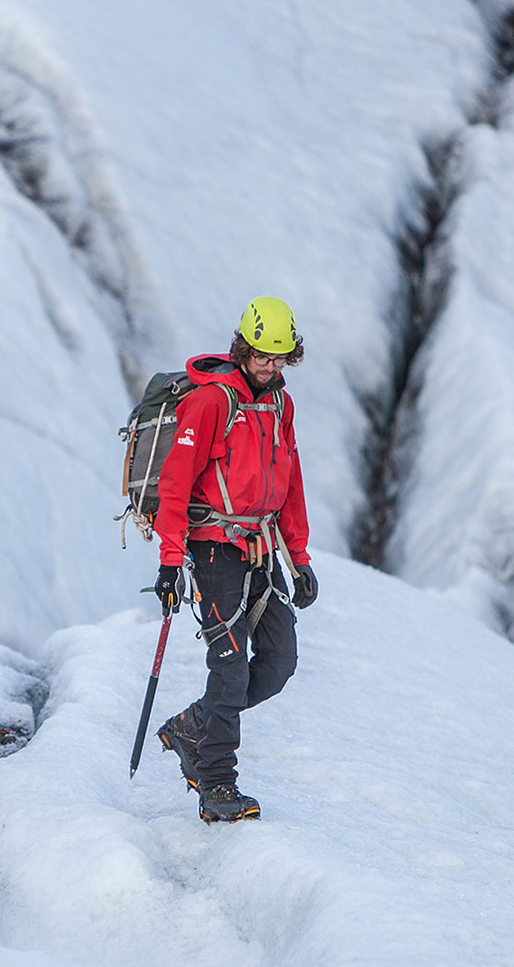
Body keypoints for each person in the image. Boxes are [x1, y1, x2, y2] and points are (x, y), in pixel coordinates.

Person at [150, 296, 319, 823]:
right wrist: (171, 560)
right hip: (212, 550)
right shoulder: (211, 403)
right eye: (264, 356)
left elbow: (290, 486)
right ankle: (217, 786)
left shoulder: (279, 407)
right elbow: (175, 485)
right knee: (228, 669)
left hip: (261, 548)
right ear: (243, 349)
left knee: (279, 662)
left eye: (282, 357)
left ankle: (190, 728)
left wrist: (299, 557)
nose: (273, 366)